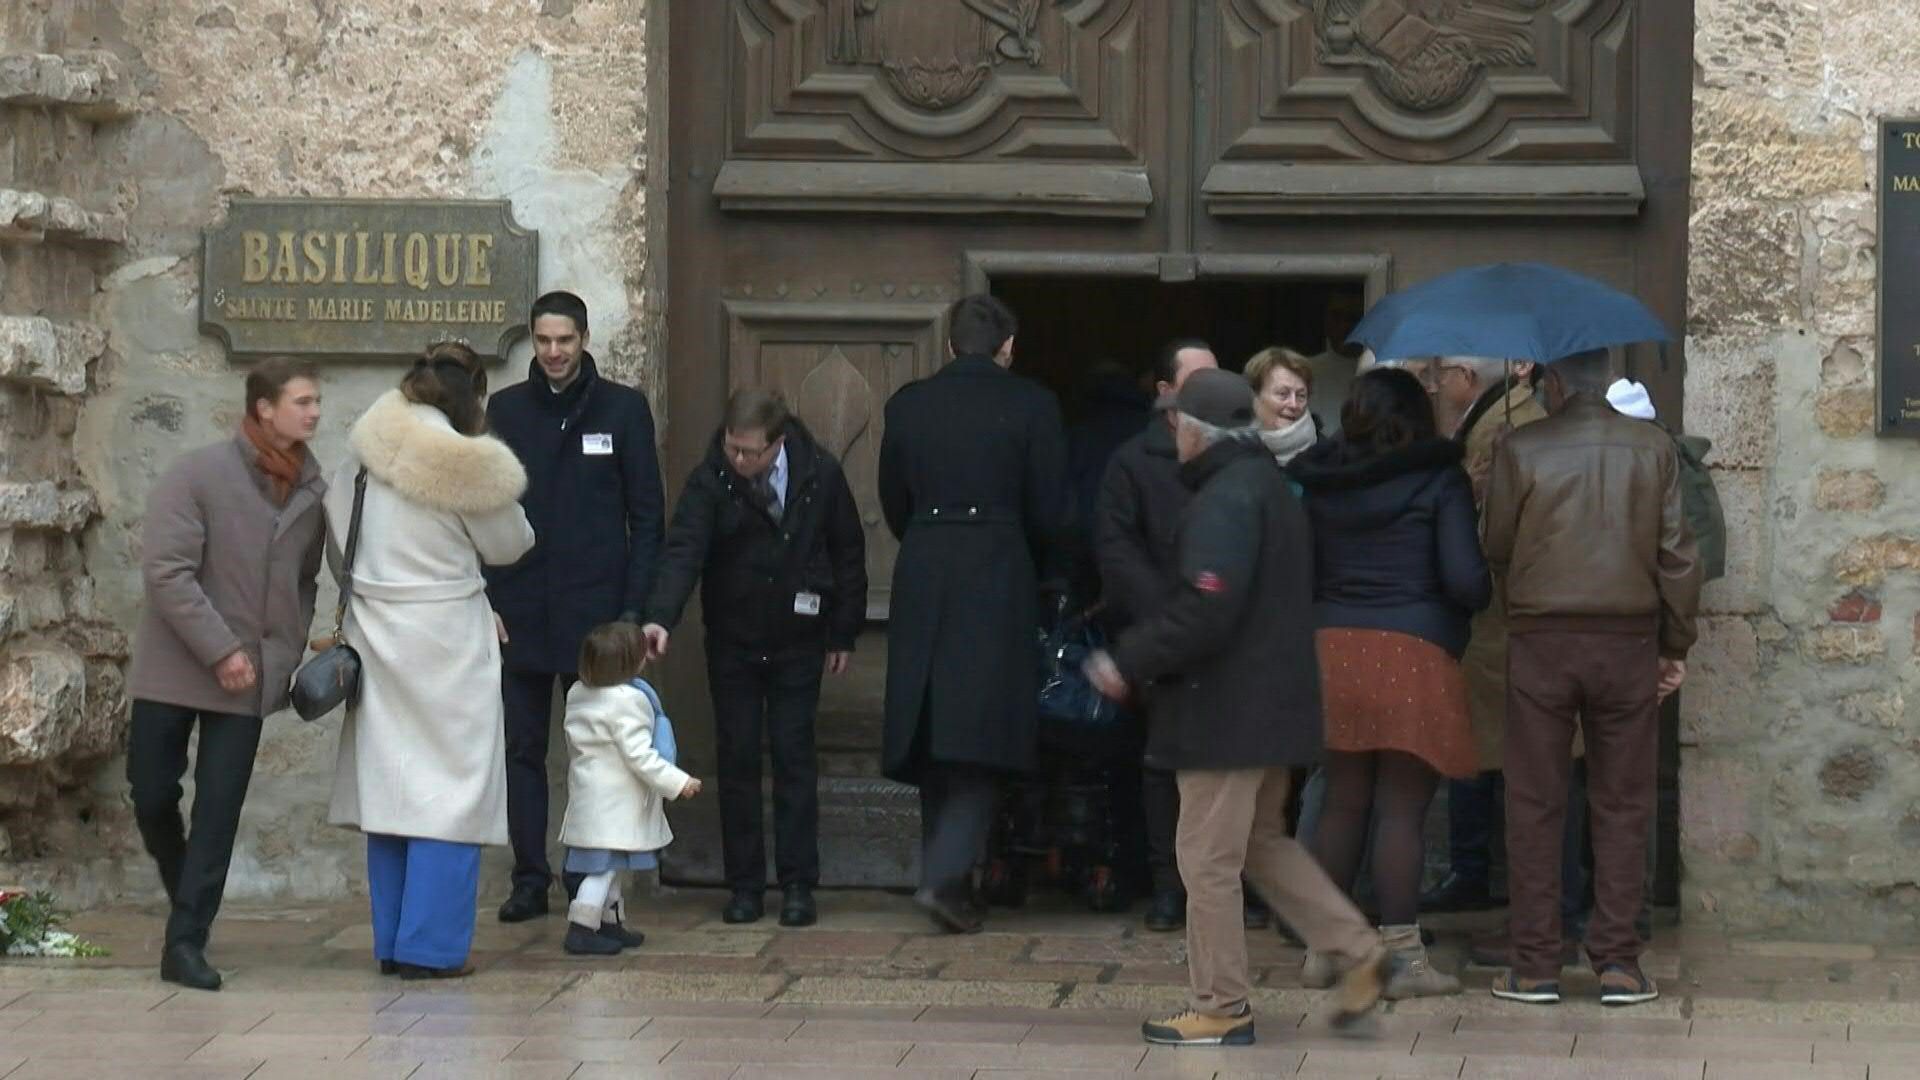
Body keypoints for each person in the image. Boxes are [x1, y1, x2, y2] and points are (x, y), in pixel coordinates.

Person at [1086, 369, 1391, 1047]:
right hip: (1273, 706)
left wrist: (1127, 658)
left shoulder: (1225, 499)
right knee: (1261, 844)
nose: (1173, 434)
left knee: (1206, 859)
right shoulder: (1270, 488)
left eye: (1178, 424)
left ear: (1196, 431)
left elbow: (1207, 606)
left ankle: (1220, 1005)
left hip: (1224, 713)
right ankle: (1359, 949)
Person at [1482, 348, 1702, 1007]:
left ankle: (1535, 964)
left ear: (1551, 381)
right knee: (1623, 800)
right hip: (1627, 638)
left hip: (1542, 639)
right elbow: (1678, 554)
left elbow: (1495, 544)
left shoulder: (1521, 446)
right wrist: (1674, 642)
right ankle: (1618, 963)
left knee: (1535, 801)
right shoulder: (1652, 447)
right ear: (1607, 380)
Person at [326, 342, 536, 979]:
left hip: (375, 628)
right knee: (450, 790)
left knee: (391, 791)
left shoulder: (362, 456)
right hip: (445, 638)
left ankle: (391, 943)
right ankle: (434, 949)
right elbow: (511, 543)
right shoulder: (467, 464)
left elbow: (338, 539)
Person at [1287, 368, 1491, 998]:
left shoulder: (1318, 482)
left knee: (1343, 800)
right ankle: (1401, 959)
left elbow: (1302, 572)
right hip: (1414, 650)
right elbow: (1464, 580)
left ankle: (1326, 951)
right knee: (1402, 807)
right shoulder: (1438, 477)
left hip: (1332, 651)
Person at [126, 358, 326, 991]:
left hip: (252, 679)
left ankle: (185, 941)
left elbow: (302, 582)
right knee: (152, 792)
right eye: (302, 401)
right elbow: (167, 573)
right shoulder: (198, 474)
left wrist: (285, 651)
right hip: (175, 670)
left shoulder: (312, 490)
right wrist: (221, 649)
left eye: (316, 401)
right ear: (264, 408)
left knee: (219, 811)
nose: (315, 412)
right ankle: (184, 882)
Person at [878, 293, 1070, 935]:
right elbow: (1049, 509)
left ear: (951, 345)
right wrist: (1045, 571)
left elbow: (894, 499)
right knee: (984, 733)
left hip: (927, 565)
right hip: (997, 570)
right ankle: (947, 877)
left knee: (937, 731)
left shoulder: (908, 404)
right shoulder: (1034, 404)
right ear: (1007, 348)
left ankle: (947, 875)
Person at [642, 389, 866, 928]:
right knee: (737, 760)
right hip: (734, 640)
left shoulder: (820, 476)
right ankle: (744, 884)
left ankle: (797, 884)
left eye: (751, 453)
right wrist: (660, 617)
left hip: (799, 639)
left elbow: (848, 552)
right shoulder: (711, 479)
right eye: (732, 449)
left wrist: (843, 633)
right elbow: (684, 550)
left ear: (778, 443)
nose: (740, 461)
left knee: (794, 757)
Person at [484, 290, 665, 923]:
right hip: (523, 607)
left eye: (564, 339)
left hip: (598, 615)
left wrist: (634, 611)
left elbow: (646, 518)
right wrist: (487, 597)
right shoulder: (505, 410)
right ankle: (528, 877)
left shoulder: (622, 409)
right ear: (532, 342)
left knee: (601, 750)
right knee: (523, 749)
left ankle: (588, 873)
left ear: (584, 338)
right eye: (543, 340)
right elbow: (485, 511)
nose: (554, 352)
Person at [1093, 339, 1217, 933]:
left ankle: (1224, 885)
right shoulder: (1131, 461)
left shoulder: (1236, 455)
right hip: (1159, 635)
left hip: (1222, 637)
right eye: (1195, 380)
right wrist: (1167, 617)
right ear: (1165, 393)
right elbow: (1116, 550)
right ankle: (1168, 885)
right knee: (1161, 766)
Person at [1419, 357, 1547, 916]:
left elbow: (1500, 517)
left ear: (1466, 376)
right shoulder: (1496, 414)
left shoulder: (1512, 421)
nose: (1433, 382)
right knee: (1483, 746)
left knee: (1497, 750)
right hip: (1494, 615)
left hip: (1499, 610)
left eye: (1440, 370)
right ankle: (1476, 870)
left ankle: (1483, 874)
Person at [558, 622, 702, 955]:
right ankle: (582, 927)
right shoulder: (627, 702)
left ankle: (610, 922)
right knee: (603, 870)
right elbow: (640, 756)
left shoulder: (579, 693)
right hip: (615, 802)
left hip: (590, 797)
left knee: (612, 865)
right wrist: (678, 782)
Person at [1245, 345, 1322, 460]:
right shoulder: (1235, 453)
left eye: (1301, 396)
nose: (1294, 405)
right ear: (1256, 395)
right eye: (1283, 394)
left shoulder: (1326, 454)